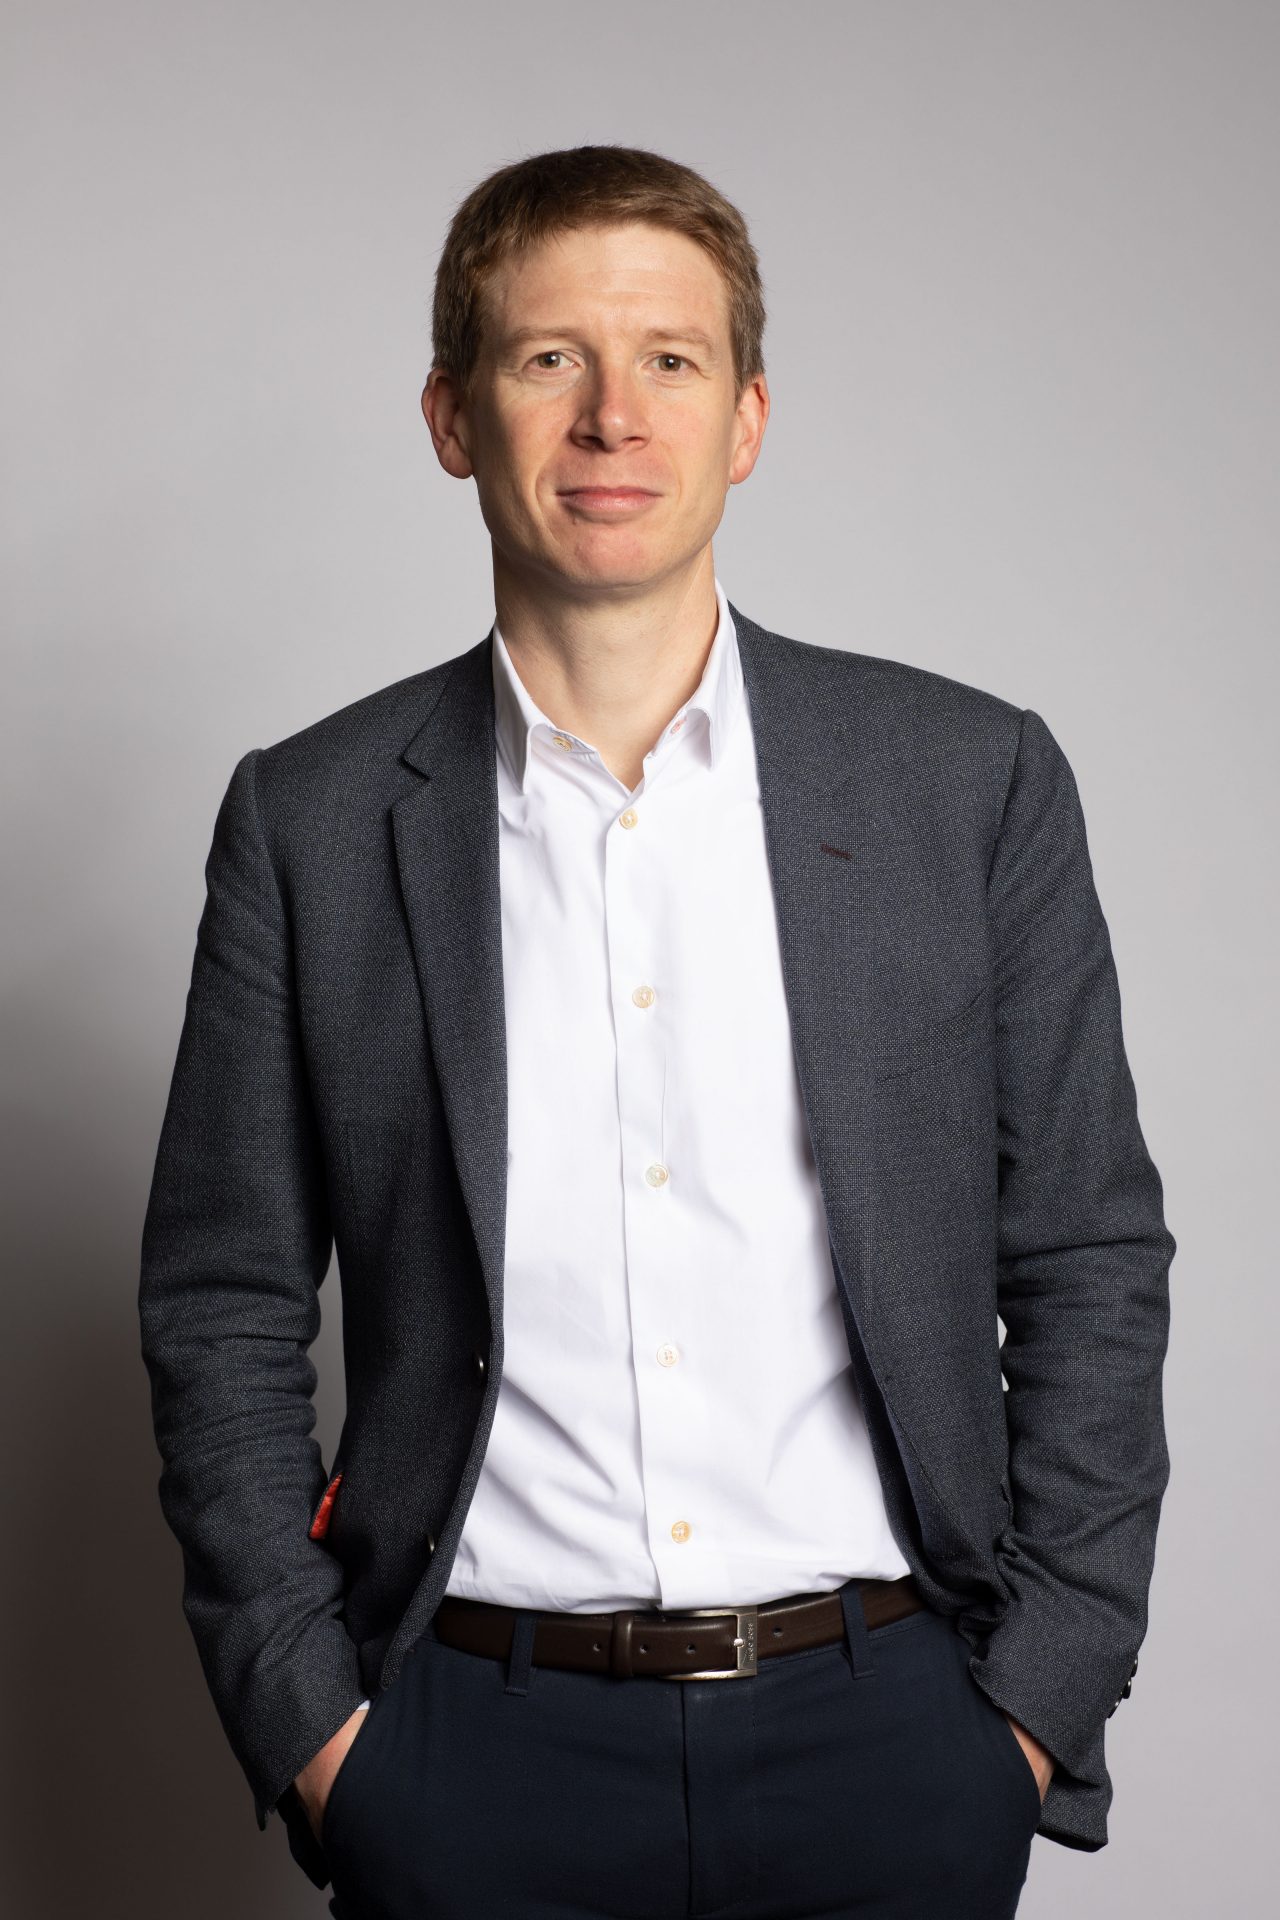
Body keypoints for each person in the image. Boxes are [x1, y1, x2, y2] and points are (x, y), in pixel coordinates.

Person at [138, 144, 1175, 1919]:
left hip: (897, 1745)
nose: (614, 415)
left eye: (671, 360)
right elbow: (221, 1301)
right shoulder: (307, 824)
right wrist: (322, 1733)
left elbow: (1085, 1251)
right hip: (463, 1757)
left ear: (748, 417)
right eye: (549, 359)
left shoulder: (966, 783)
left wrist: (1031, 1701)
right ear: (454, 418)